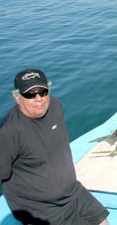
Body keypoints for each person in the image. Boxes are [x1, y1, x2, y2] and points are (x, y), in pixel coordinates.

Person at [0, 69, 110, 225]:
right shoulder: (9, 132)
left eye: (43, 92)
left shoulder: (55, 106)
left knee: (103, 221)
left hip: (73, 192)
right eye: (30, 95)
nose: (39, 99)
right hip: (41, 209)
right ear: (17, 97)